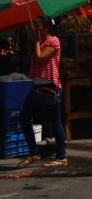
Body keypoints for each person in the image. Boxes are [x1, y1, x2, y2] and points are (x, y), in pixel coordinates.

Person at [17, 15, 67, 168]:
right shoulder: (40, 43)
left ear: (45, 27)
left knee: (55, 121)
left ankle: (61, 156)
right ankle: (34, 152)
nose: (35, 30)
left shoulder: (53, 41)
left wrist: (37, 41)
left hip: (50, 87)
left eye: (37, 26)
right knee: (24, 118)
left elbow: (41, 57)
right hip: (37, 86)